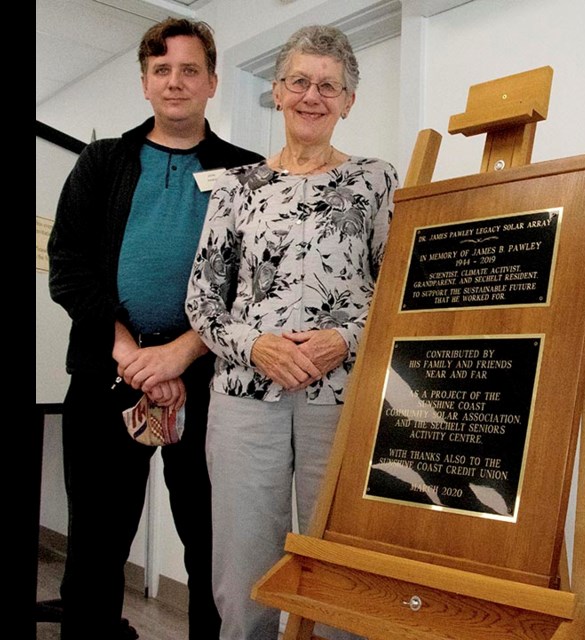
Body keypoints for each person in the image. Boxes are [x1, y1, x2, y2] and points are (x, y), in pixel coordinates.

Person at [47, 18, 262, 639]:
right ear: (144, 83)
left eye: (190, 70)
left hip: (211, 382)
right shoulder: (101, 161)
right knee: (94, 550)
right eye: (162, 70)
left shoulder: (248, 174)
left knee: (212, 547)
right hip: (106, 376)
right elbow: (68, 267)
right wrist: (130, 352)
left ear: (212, 82)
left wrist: (181, 354)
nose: (176, 82)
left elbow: (251, 286)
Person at [186, 24, 396, 639]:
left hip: (344, 401)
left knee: (342, 564)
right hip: (246, 400)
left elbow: (398, 290)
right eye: (300, 81)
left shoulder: (377, 181)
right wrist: (255, 345)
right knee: (244, 566)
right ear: (277, 92)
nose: (313, 96)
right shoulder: (237, 188)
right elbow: (203, 299)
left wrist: (345, 338)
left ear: (349, 101)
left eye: (329, 86)